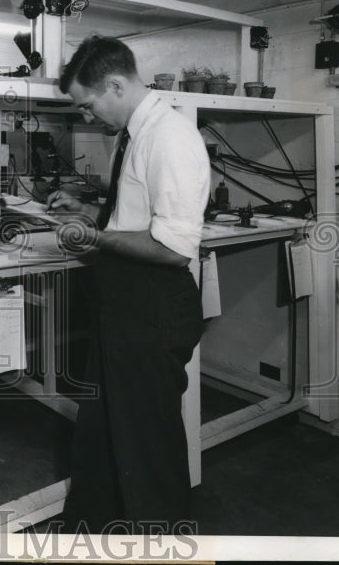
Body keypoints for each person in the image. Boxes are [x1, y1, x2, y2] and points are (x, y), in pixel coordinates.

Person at [45, 35, 210, 535]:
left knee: (147, 442)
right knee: (103, 427)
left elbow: (171, 247)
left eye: (89, 104)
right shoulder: (134, 135)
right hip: (122, 297)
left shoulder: (171, 138)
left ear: (115, 85)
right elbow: (131, 217)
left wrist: (94, 236)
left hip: (154, 304)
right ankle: (96, 531)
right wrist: (89, 210)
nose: (88, 116)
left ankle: (160, 541)